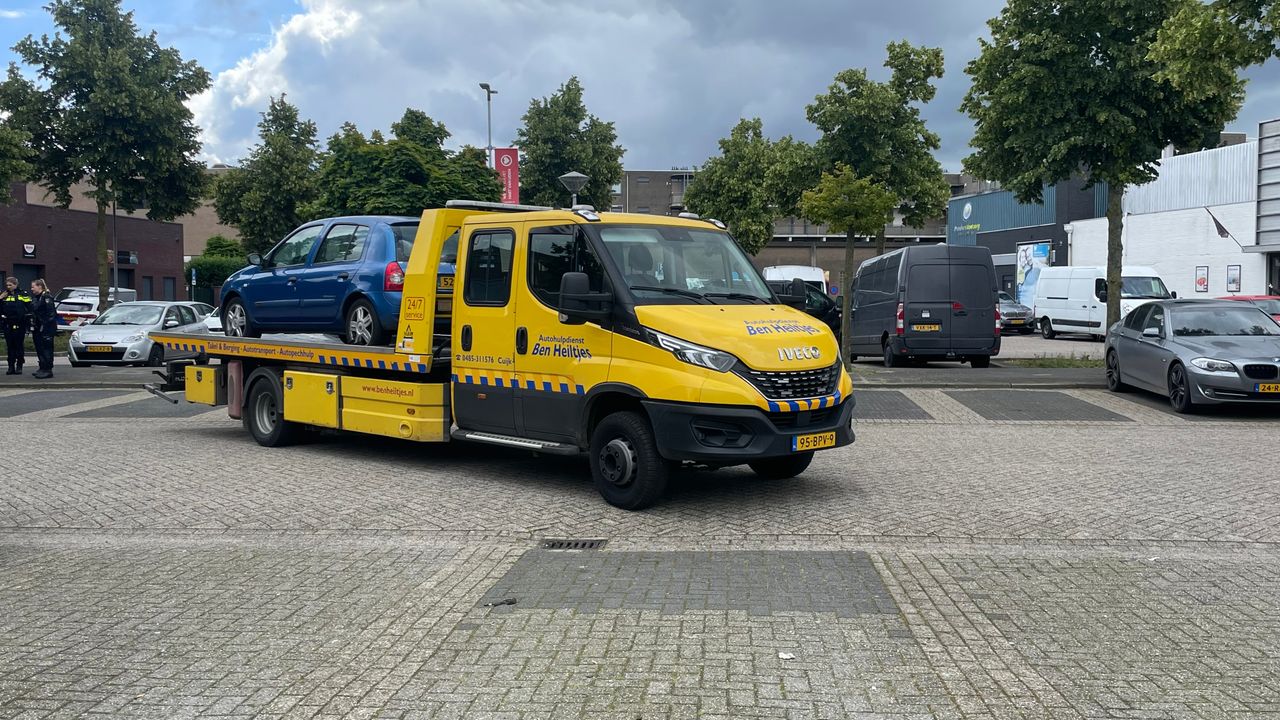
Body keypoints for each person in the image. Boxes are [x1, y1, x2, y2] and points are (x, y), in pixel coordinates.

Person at [1, 276, 32, 375]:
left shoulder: (23, 294)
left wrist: (27, 318)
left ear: (15, 285)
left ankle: (19, 366)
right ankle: (10, 366)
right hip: (7, 324)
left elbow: (30, 307)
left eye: (10, 285)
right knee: (10, 346)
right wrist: (0, 298)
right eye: (7, 285)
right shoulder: (3, 294)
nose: (8, 287)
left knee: (19, 346)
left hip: (20, 324)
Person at [28, 278, 57, 379]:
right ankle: (42, 367)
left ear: (40, 286)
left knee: (46, 349)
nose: (31, 289)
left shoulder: (46, 297)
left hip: (46, 328)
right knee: (39, 349)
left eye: (33, 287)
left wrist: (45, 326)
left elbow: (51, 314)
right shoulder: (37, 297)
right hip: (38, 327)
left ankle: (47, 369)